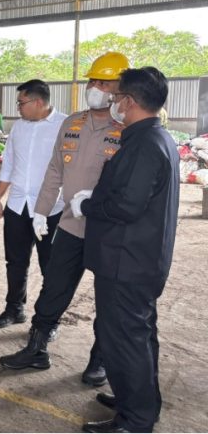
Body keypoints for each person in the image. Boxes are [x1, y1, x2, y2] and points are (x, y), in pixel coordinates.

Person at [0, 52, 130, 386]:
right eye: (93, 81)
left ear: (121, 87)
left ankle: (100, 360)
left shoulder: (129, 129)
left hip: (109, 229)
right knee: (54, 287)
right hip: (70, 223)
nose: (95, 88)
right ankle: (37, 348)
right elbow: (56, 170)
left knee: (108, 298)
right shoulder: (72, 123)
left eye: (104, 82)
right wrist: (42, 210)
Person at [74, 67, 178, 433]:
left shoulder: (144, 144)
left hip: (126, 260)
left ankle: (135, 421)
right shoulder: (153, 138)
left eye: (117, 97)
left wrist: (87, 206)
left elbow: (127, 207)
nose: (114, 103)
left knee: (126, 339)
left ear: (130, 102)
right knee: (139, 334)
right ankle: (139, 400)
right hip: (137, 258)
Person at [0, 80, 66, 327]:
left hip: (50, 209)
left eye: (21, 103)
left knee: (51, 267)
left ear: (37, 102)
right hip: (17, 206)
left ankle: (48, 321)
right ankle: (14, 309)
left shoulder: (65, 125)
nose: (18, 108)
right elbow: (10, 163)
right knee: (15, 261)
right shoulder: (19, 128)